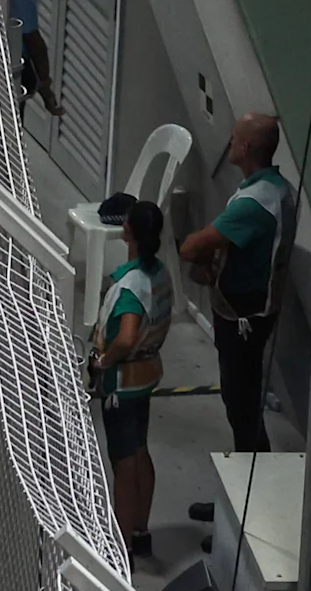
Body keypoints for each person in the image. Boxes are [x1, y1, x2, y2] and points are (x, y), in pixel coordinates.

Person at [176, 114, 290, 454]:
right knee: (243, 399)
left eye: (234, 137)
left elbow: (191, 247)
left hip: (244, 316)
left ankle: (249, 483)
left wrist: (201, 256)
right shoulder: (272, 189)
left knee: (240, 404)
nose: (229, 142)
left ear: (246, 147)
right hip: (253, 310)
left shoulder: (253, 205)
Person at [90, 200, 173, 564]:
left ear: (129, 233)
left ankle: (119, 547)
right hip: (147, 376)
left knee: (123, 462)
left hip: (122, 384)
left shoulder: (130, 287)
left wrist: (103, 361)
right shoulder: (159, 274)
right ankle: (140, 530)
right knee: (140, 451)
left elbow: (125, 337)